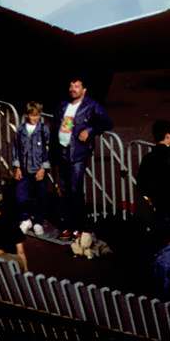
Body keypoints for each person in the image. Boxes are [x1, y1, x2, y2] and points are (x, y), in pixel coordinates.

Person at [50, 77, 113, 240]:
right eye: (71, 86)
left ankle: (79, 225)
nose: (73, 89)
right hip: (62, 152)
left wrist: (90, 131)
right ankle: (68, 224)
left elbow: (106, 122)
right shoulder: (64, 104)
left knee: (75, 190)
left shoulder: (91, 105)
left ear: (84, 90)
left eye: (77, 86)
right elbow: (55, 125)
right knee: (64, 191)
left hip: (77, 154)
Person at [10, 101, 50, 235]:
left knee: (40, 196)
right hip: (24, 168)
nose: (34, 118)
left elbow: (47, 150)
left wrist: (43, 168)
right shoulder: (21, 130)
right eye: (32, 115)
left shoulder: (44, 129)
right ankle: (25, 219)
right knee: (20, 195)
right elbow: (16, 148)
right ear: (27, 115)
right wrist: (17, 167)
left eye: (37, 115)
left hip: (39, 168)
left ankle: (38, 221)